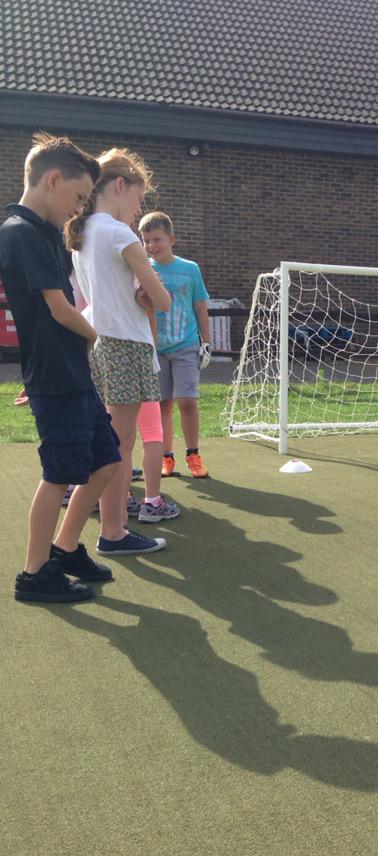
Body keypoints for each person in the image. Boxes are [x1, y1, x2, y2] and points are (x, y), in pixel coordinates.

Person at [0, 133, 122, 603]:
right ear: (53, 180)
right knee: (59, 474)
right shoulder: (20, 232)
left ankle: (66, 547)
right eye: (77, 197)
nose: (78, 208)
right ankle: (34, 574)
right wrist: (95, 335)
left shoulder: (44, 233)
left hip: (71, 373)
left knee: (107, 459)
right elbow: (57, 308)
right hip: (56, 376)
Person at [66, 148, 173, 555]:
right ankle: (113, 532)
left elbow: (99, 298)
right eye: (138, 199)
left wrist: (141, 297)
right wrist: (151, 296)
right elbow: (161, 300)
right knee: (119, 445)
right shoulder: (118, 233)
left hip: (98, 341)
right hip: (124, 345)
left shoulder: (81, 234)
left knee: (113, 441)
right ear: (119, 185)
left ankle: (112, 527)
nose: (138, 209)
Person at [138, 211, 211, 479]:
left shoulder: (190, 269)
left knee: (187, 401)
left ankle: (193, 454)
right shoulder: (143, 268)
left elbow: (200, 306)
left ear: (171, 239)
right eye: (145, 240)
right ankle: (166, 457)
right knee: (162, 405)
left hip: (186, 345)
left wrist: (207, 342)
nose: (151, 246)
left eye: (157, 239)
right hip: (156, 349)